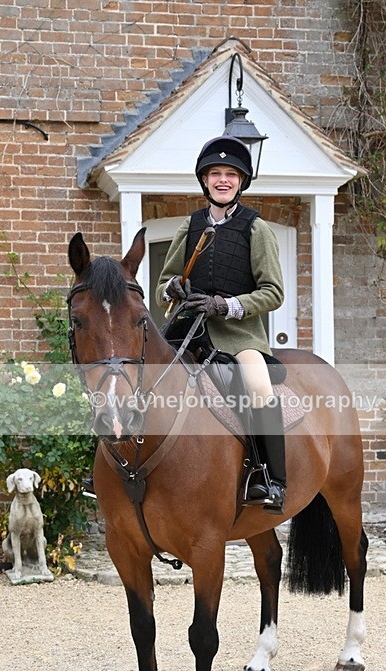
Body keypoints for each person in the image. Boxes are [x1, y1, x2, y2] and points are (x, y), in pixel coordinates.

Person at [156, 136, 287, 514]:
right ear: (205, 180)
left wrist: (226, 305)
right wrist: (174, 286)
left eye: (231, 174)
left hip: (239, 333)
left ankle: (270, 479)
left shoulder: (256, 229)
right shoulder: (191, 225)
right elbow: (166, 281)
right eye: (216, 173)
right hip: (187, 328)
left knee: (259, 386)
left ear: (241, 182)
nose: (223, 180)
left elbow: (273, 292)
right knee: (136, 372)